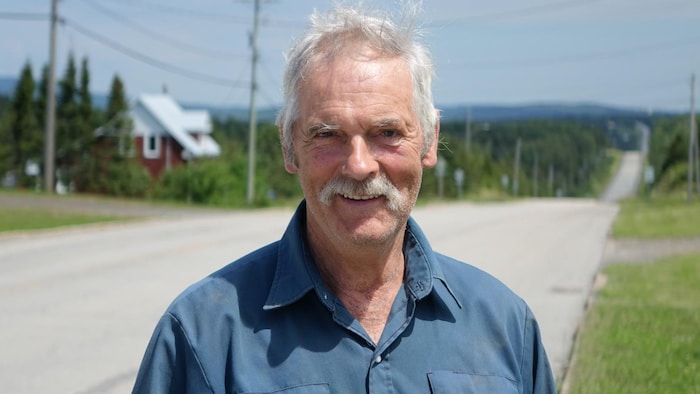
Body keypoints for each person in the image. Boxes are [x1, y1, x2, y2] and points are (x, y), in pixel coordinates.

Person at [132, 2, 556, 393]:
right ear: (287, 145)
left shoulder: (505, 325)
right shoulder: (201, 335)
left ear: (429, 141)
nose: (359, 166)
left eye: (387, 133)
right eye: (327, 135)